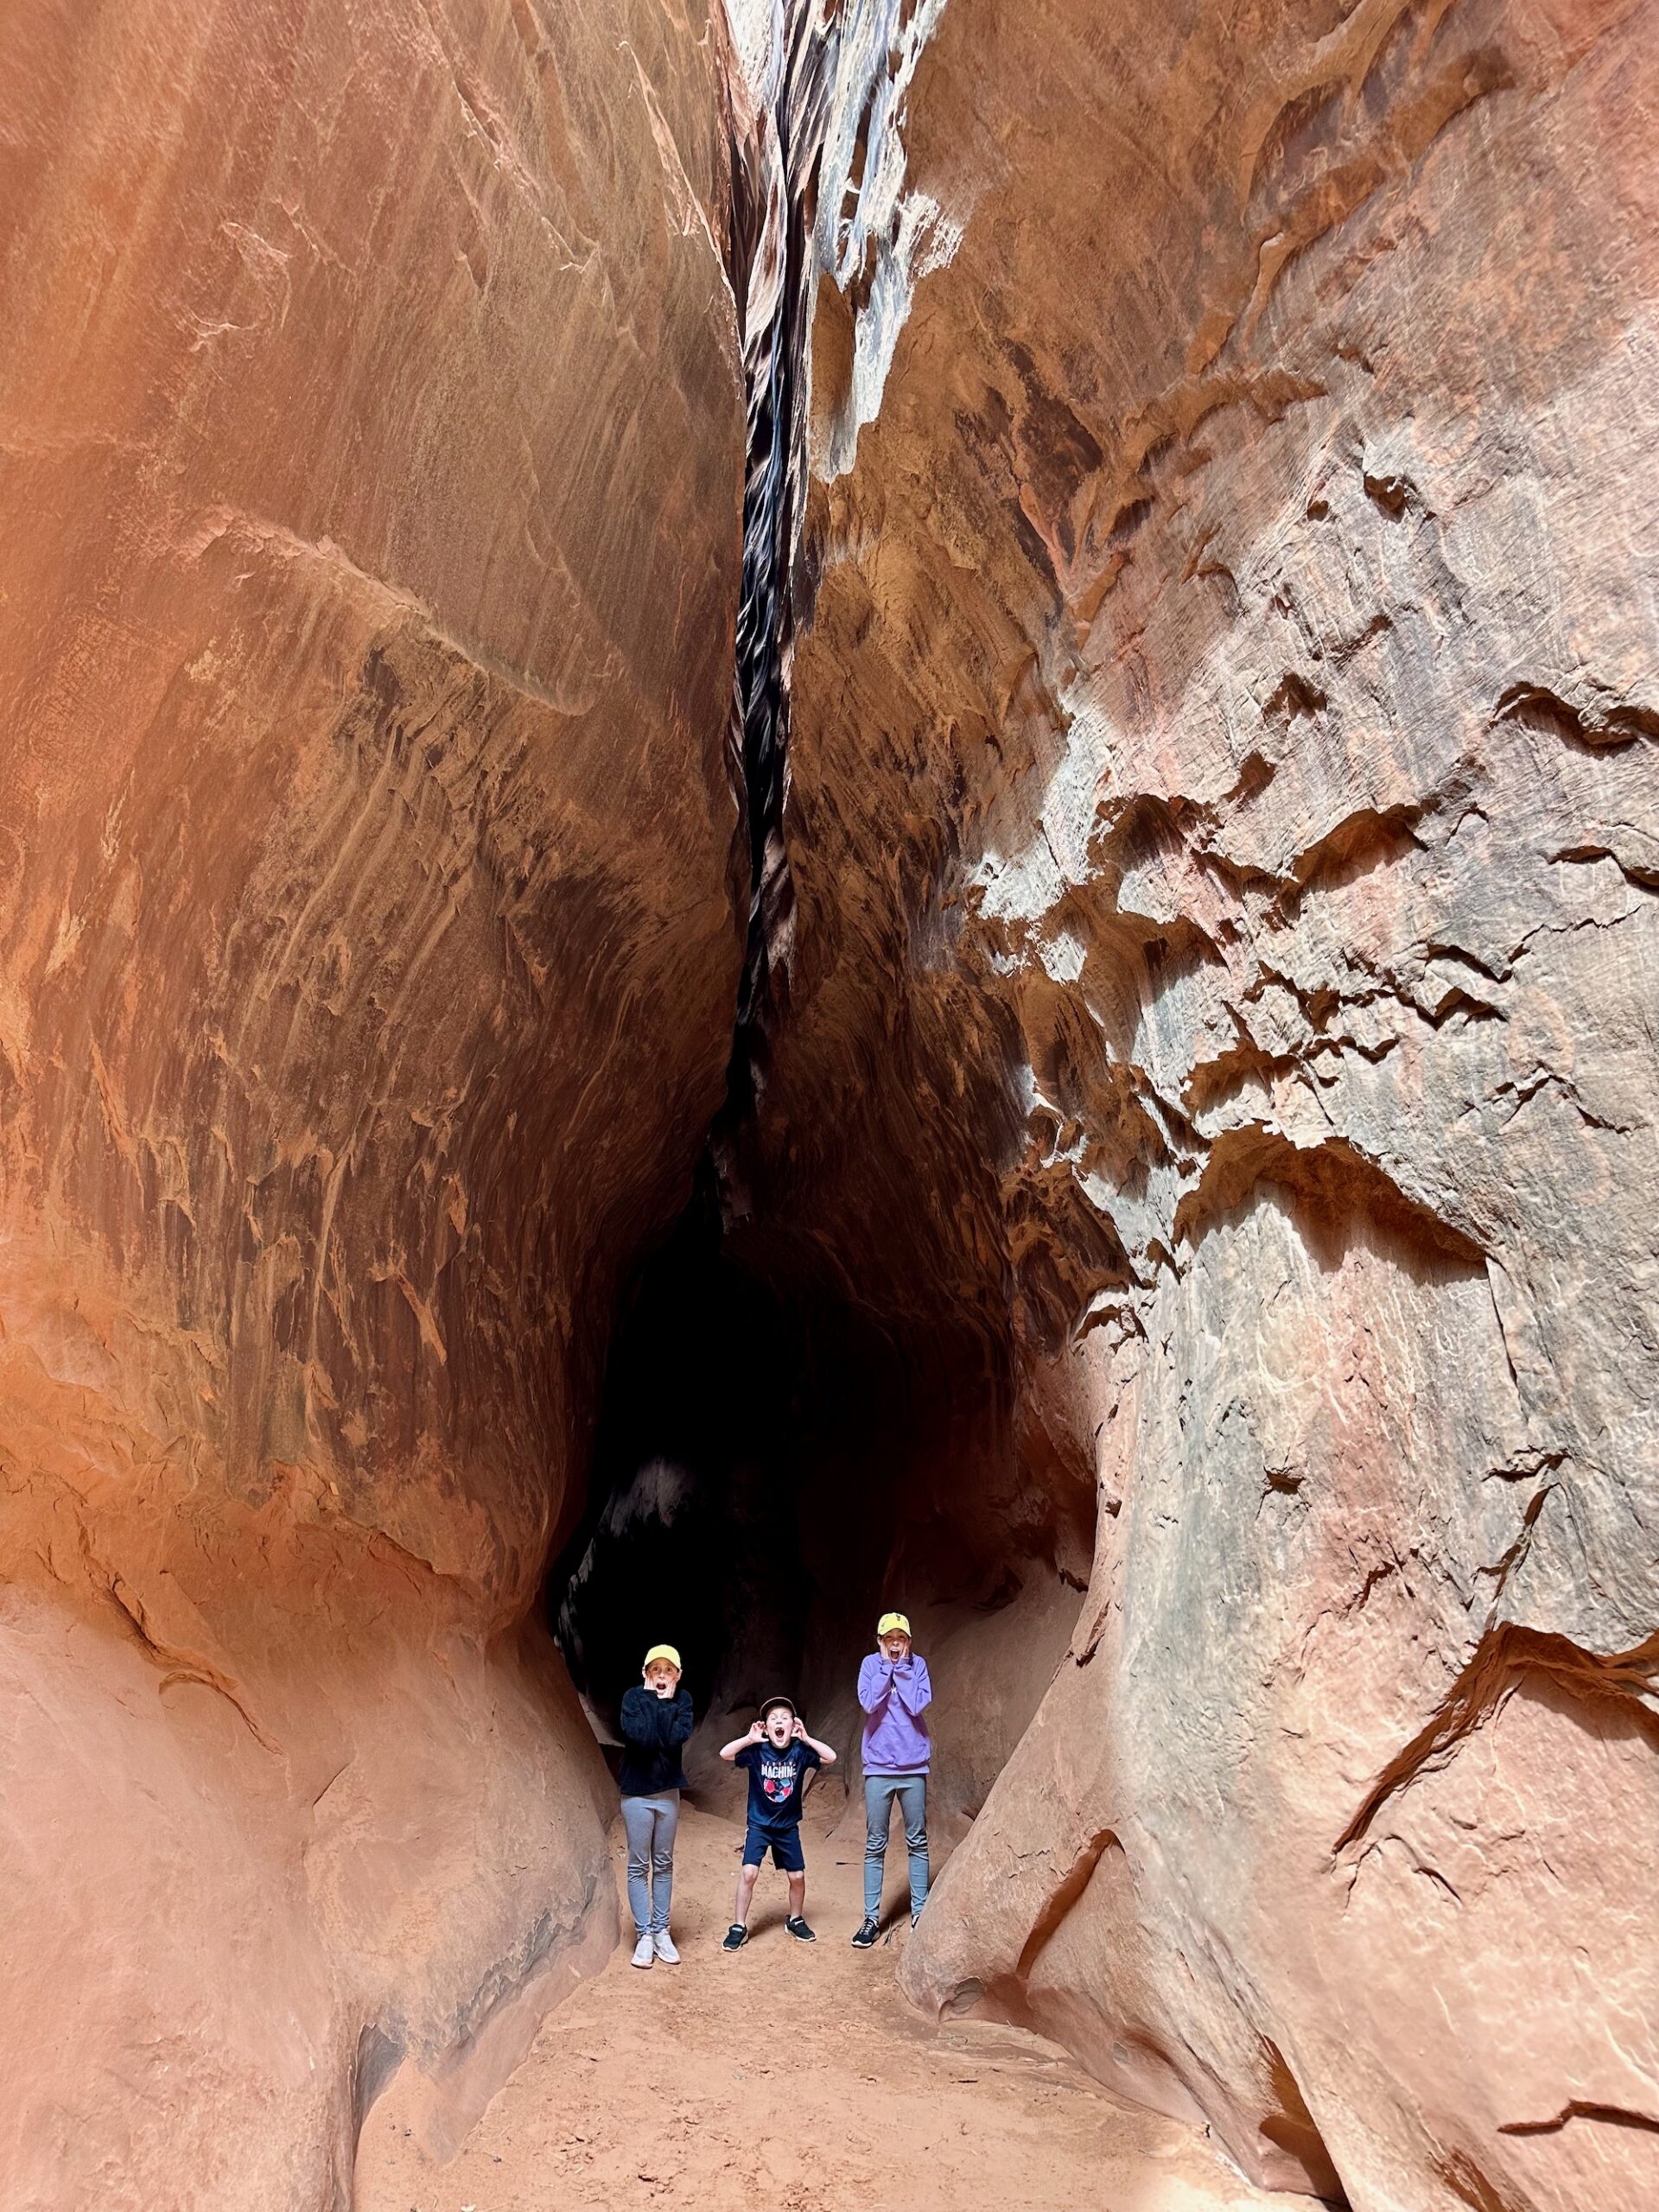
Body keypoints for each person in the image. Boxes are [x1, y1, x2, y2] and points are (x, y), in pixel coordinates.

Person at [718, 1695, 837, 1950]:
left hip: (787, 1827)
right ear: (765, 1727)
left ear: (793, 1725)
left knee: (797, 1876)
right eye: (773, 1719)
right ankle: (738, 1926)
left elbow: (831, 1757)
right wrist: (748, 1739)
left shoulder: (800, 1751)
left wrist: (806, 1738)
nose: (779, 1722)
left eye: (785, 1718)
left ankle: (795, 1920)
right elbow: (725, 1754)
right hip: (759, 1825)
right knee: (749, 1873)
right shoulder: (757, 1751)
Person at [852, 1611, 931, 1947]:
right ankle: (871, 1919)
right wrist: (886, 1668)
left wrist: (902, 1670)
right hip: (879, 1768)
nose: (895, 1644)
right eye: (889, 1639)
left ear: (909, 1641)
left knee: (917, 1841)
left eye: (901, 1638)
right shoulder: (870, 1665)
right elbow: (869, 1703)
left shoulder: (918, 1666)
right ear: (880, 1641)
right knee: (875, 1843)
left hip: (913, 1767)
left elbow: (916, 1706)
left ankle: (920, 1912)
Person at [618, 1643, 694, 1968]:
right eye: (656, 1670)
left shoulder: (684, 1701)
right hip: (636, 1793)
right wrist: (655, 1701)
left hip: (667, 1793)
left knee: (663, 1863)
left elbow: (675, 1739)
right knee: (639, 1865)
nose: (662, 1676)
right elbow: (644, 1739)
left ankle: (662, 1931)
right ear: (645, 1673)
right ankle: (645, 1936)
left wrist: (664, 1705)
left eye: (668, 1670)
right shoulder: (632, 1699)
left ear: (678, 1675)